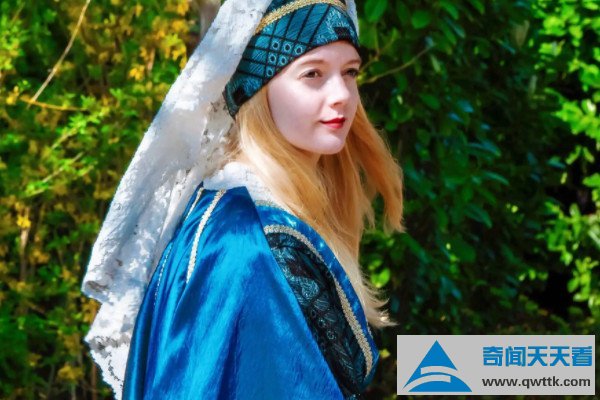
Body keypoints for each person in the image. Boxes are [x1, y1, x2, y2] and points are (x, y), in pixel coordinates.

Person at [82, 1, 403, 399]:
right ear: (258, 88)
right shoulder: (249, 240)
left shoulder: (250, 210)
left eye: (349, 72)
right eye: (313, 74)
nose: (341, 95)